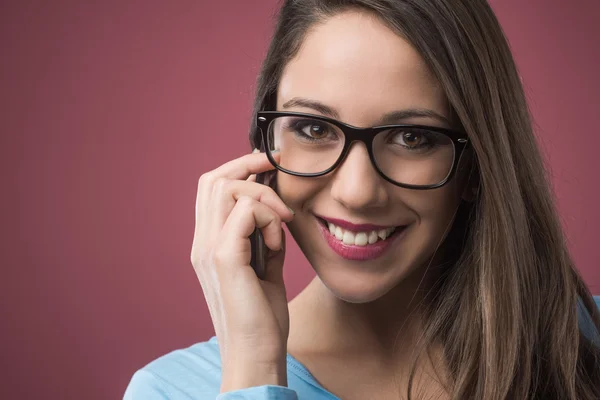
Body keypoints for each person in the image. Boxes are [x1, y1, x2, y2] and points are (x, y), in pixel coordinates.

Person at [124, 0, 600, 399]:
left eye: (412, 137)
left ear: (477, 165)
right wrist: (254, 368)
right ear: (264, 146)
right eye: (314, 129)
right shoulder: (170, 391)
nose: (356, 192)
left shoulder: (584, 340)